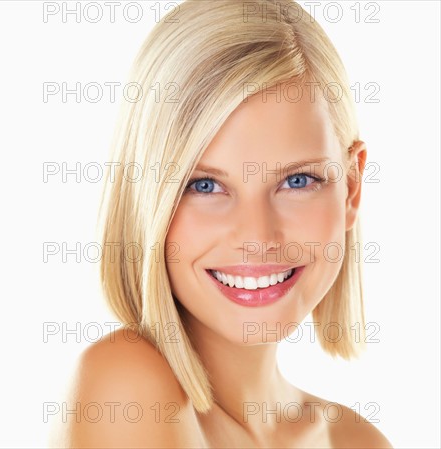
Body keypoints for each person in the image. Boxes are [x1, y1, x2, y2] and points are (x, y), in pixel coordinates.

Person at [52, 0, 393, 447]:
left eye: (297, 180)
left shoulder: (358, 439)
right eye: (205, 186)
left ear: (351, 189)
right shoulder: (126, 387)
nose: (256, 237)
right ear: (146, 198)